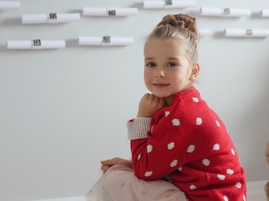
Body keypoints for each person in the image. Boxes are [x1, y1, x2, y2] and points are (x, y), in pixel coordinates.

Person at [86, 14, 247, 201]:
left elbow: (145, 171)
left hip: (207, 198)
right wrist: (131, 165)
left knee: (115, 180)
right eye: (151, 64)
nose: (159, 73)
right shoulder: (187, 104)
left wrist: (142, 118)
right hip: (218, 195)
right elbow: (169, 161)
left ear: (193, 71)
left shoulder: (180, 116)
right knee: (120, 171)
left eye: (171, 64)